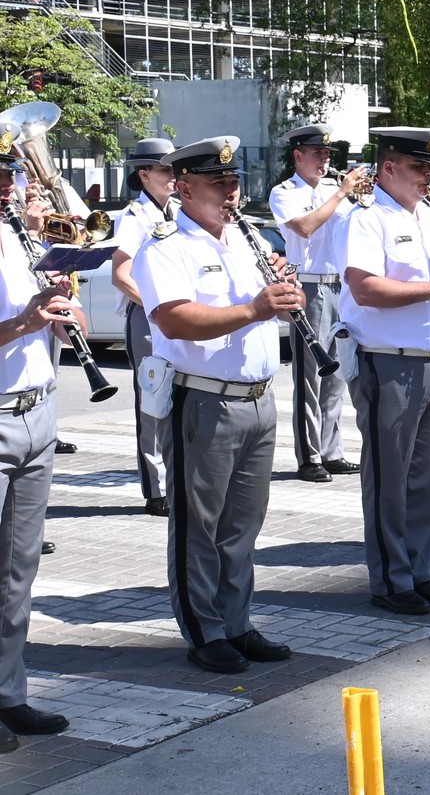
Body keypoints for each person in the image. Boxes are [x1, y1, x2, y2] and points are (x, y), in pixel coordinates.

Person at [132, 136, 298, 674]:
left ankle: (237, 621)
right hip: (203, 401)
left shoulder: (245, 241)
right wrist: (254, 308)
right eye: (219, 184)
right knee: (197, 526)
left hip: (259, 399)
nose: (232, 193)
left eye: (235, 182)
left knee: (242, 526)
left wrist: (281, 298)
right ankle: (203, 629)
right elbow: (175, 319)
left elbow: (266, 315)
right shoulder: (165, 247)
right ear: (182, 188)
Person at [338, 127, 430, 615]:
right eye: (419, 168)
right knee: (388, 479)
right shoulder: (365, 219)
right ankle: (391, 580)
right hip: (388, 362)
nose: (428, 178)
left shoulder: (428, 216)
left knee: (426, 476)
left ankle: (419, 569)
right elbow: (364, 289)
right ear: (389, 168)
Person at [0, 144, 79, 745]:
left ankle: (9, 692)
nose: (8, 185)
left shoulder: (20, 237)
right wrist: (25, 323)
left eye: (11, 173)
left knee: (18, 570)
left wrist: (58, 309)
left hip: (38, 412)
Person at [268, 123, 367, 483]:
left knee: (339, 373)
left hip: (341, 284)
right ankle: (309, 455)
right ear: (298, 156)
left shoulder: (332, 189)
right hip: (308, 285)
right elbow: (305, 227)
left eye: (327, 154)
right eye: (318, 153)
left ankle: (332, 449)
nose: (325, 159)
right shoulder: (285, 192)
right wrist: (342, 193)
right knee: (310, 375)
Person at [109, 137, 178, 516]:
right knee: (152, 401)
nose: (173, 175)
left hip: (175, 315)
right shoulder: (134, 218)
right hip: (148, 317)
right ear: (144, 174)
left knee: (178, 396)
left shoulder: (178, 211)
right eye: (165, 169)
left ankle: (176, 477)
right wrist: (157, 305)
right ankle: (156, 489)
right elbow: (120, 276)